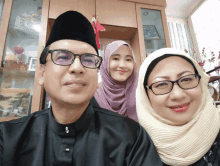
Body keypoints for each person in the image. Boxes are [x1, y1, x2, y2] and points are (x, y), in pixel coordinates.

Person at [0, 11, 163, 166]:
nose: (77, 67)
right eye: (63, 57)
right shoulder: (7, 138)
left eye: (89, 59)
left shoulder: (132, 137)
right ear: (41, 73)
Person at [136, 48, 220, 166]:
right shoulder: (132, 149)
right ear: (145, 95)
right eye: (161, 84)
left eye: (186, 79)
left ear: (201, 82)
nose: (178, 95)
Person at [94, 40, 138, 121]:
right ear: (105, 62)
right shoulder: (93, 94)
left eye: (128, 60)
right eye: (116, 58)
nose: (122, 65)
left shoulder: (141, 93)